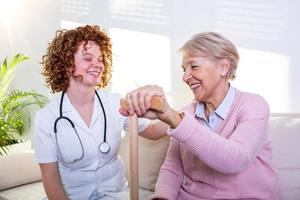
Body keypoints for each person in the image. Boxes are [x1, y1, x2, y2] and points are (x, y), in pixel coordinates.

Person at [119, 32, 281, 199]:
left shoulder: (253, 105)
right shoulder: (187, 113)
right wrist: (162, 197)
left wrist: (173, 118)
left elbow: (236, 159)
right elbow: (172, 169)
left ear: (223, 67)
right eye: (184, 69)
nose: (185, 77)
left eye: (193, 66)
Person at [34, 25, 161, 200]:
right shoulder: (47, 117)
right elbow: (50, 178)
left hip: (115, 194)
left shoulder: (115, 102)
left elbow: (153, 132)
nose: (98, 64)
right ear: (66, 65)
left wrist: (175, 116)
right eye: (87, 58)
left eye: (100, 59)